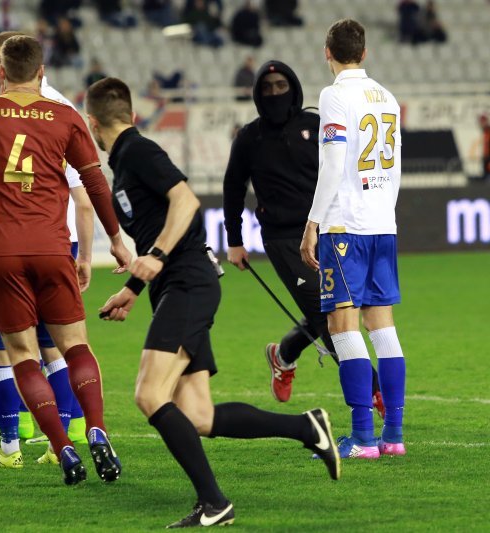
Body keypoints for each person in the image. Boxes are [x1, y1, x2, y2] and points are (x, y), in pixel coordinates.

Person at [89, 77, 340, 528]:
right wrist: (131, 290)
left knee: (149, 395)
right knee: (199, 415)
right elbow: (157, 238)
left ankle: (214, 502)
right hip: (177, 285)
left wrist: (158, 257)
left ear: (92, 122)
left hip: (188, 283)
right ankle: (307, 428)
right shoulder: (124, 162)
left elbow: (187, 201)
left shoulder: (138, 152)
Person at [0, 35, 131, 486]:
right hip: (54, 248)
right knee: (75, 347)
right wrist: (116, 240)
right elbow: (94, 183)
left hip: (1, 253)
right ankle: (95, 429)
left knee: (22, 354)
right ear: (41, 69)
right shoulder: (66, 116)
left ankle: (61, 449)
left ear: (3, 70)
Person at [223, 60, 384, 413]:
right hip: (283, 240)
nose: (275, 93)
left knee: (331, 310)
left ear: (294, 88)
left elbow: (343, 171)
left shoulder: (317, 125)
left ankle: (283, 355)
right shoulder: (249, 138)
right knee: (328, 314)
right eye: (267, 88)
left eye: (281, 86)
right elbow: (233, 188)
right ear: (256, 95)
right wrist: (234, 240)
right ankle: (373, 391)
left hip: (329, 229)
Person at [301, 19, 406, 459]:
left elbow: (332, 163)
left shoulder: (334, 95)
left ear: (328, 52)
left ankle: (363, 437)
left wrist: (313, 221)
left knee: (342, 326)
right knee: (382, 327)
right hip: (383, 224)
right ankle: (393, 435)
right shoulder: (387, 97)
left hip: (346, 225)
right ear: (364, 53)